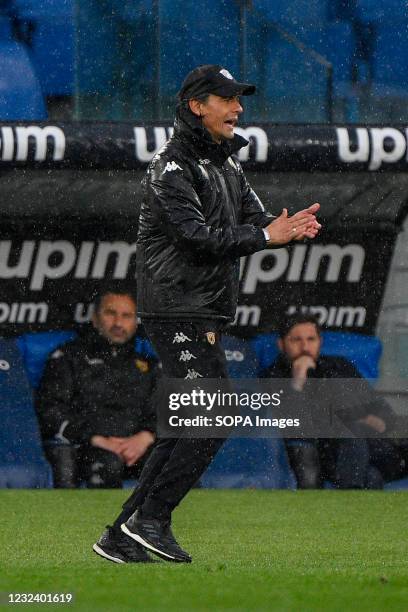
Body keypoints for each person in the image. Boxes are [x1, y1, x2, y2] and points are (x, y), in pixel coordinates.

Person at [93, 64, 321, 564]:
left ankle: (123, 533)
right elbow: (195, 238)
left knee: (189, 422)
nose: (239, 108)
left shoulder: (227, 164)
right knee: (214, 414)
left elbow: (255, 218)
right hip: (175, 307)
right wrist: (265, 237)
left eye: (240, 99)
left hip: (202, 312)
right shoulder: (171, 167)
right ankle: (151, 520)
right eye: (228, 99)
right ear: (198, 106)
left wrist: (285, 225)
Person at [262, 313, 408, 489]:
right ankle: (349, 496)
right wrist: (298, 380)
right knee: (370, 476)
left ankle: (346, 499)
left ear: (320, 342)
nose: (305, 347)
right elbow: (291, 424)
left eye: (311, 339)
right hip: (326, 456)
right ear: (281, 344)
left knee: (364, 450)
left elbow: (382, 409)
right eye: (296, 340)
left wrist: (380, 422)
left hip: (375, 448)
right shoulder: (271, 378)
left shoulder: (340, 367)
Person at [36, 288, 158, 489]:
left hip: (139, 448)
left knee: (177, 465)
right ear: (94, 318)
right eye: (111, 313)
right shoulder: (69, 357)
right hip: (88, 448)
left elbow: (170, 411)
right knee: (108, 466)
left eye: (127, 316)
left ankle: (174, 522)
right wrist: (95, 438)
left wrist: (145, 437)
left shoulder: (150, 366)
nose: (118, 323)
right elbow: (50, 409)